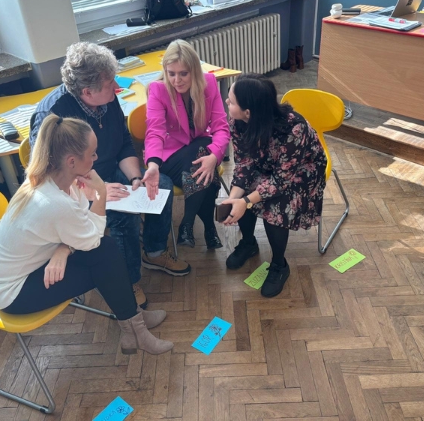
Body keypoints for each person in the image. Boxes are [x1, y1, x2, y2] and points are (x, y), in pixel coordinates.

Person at [0, 115, 173, 355]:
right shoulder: (53, 201)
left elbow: (79, 223)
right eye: (92, 154)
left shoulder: (55, 180)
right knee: (105, 260)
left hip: (22, 268)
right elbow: (91, 239)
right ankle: (135, 329)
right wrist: (100, 193)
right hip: (9, 292)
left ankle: (134, 321)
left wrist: (64, 249)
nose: (96, 158)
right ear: (71, 161)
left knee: (106, 252)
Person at [30, 42, 191, 309]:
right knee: (123, 216)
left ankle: (154, 253)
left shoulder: (106, 98)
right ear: (87, 92)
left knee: (159, 185)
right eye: (109, 84)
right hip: (77, 189)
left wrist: (136, 179)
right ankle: (128, 280)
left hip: (109, 171)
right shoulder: (53, 116)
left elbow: (123, 142)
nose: (116, 87)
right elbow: (50, 177)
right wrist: (98, 190)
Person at [221, 74, 327, 298]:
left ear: (248, 112)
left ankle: (279, 264)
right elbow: (244, 163)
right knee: (242, 192)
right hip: (268, 164)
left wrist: (246, 201)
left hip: (303, 170)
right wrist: (234, 198)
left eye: (231, 101)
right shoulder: (237, 122)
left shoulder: (294, 128)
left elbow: (281, 180)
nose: (227, 102)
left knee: (276, 205)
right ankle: (248, 243)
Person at [145, 39, 230, 249]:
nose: (177, 80)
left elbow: (221, 127)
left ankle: (190, 224)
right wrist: (153, 164)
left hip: (199, 153)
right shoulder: (157, 89)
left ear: (194, 71)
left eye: (183, 73)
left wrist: (214, 157)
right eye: (171, 73)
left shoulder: (209, 83)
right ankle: (205, 227)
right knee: (203, 163)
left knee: (202, 159)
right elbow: (155, 132)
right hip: (172, 156)